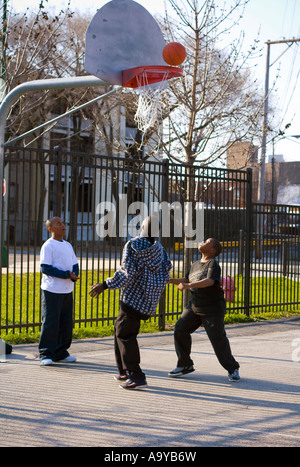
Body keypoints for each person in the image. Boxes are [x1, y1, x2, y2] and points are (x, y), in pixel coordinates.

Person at [90, 216, 172, 389]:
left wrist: (104, 285)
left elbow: (127, 273)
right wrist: (153, 289)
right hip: (148, 301)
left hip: (132, 300)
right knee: (119, 330)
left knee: (125, 336)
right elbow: (167, 272)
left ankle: (137, 376)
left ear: (141, 226)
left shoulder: (133, 245)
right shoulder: (159, 249)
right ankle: (123, 371)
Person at [168, 238, 240, 382]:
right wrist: (169, 280)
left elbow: (209, 281)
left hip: (212, 308)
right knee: (180, 329)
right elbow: (186, 279)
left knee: (218, 340)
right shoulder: (195, 264)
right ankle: (185, 365)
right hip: (195, 305)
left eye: (207, 241)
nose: (203, 241)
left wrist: (187, 286)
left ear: (212, 250)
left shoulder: (213, 264)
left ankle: (232, 368)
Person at [39, 217, 79, 366]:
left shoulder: (68, 245)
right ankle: (45, 353)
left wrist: (74, 275)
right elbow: (45, 267)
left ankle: (61, 352)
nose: (63, 225)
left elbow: (75, 263)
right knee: (50, 322)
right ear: (50, 229)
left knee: (66, 323)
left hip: (67, 290)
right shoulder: (48, 246)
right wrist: (65, 275)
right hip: (52, 290)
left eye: (63, 223)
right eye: (58, 223)